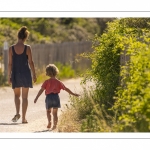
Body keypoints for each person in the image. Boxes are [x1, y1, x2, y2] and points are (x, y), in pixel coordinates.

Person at [34, 64, 80, 130]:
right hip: (56, 97)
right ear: (56, 72)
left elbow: (41, 90)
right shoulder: (58, 82)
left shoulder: (46, 82)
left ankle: (49, 121)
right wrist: (73, 94)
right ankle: (54, 125)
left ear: (47, 73)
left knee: (48, 111)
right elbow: (66, 88)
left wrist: (36, 97)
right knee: (55, 113)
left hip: (48, 97)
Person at [8, 26, 37, 124]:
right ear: (25, 37)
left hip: (15, 74)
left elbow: (10, 64)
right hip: (26, 74)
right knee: (25, 97)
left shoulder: (11, 48)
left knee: (17, 96)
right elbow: (31, 62)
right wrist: (34, 74)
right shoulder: (27, 48)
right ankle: (24, 118)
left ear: (18, 36)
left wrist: (9, 76)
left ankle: (17, 113)